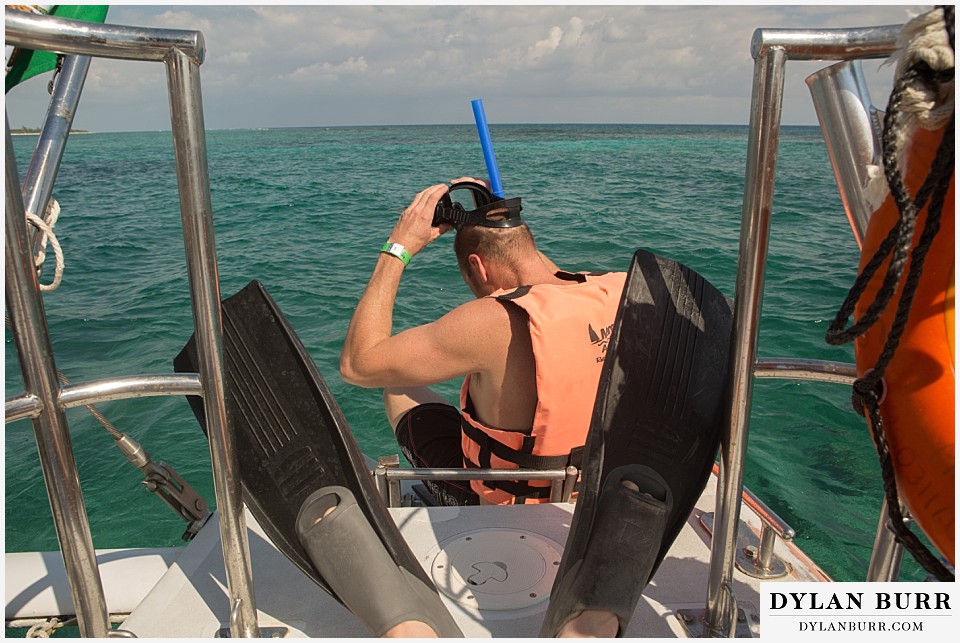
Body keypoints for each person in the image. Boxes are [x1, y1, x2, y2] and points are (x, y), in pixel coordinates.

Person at [340, 179, 627, 506]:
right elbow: (533, 264)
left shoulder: (493, 320)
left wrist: (398, 245)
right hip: (592, 484)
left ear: (477, 267)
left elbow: (357, 365)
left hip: (510, 504)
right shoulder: (615, 290)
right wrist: (496, 214)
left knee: (398, 387)